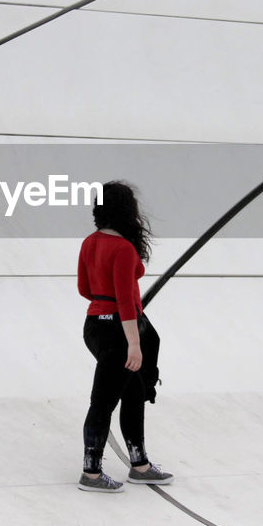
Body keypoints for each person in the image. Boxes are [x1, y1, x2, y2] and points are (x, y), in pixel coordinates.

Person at [76, 180, 173, 493]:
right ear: (127, 211)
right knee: (103, 401)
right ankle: (91, 474)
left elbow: (85, 289)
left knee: (131, 393)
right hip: (119, 329)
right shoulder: (123, 249)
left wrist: (106, 304)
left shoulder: (89, 242)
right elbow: (125, 303)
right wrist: (134, 343)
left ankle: (140, 464)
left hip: (94, 325)